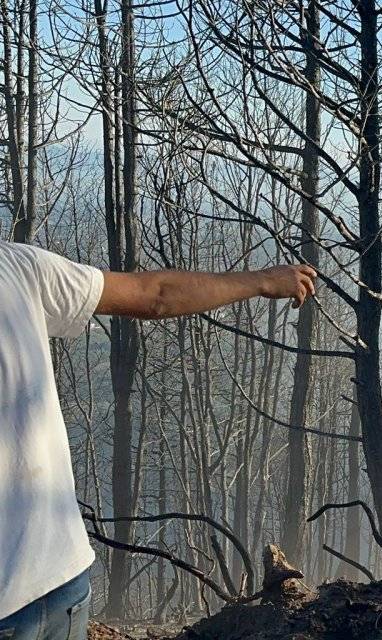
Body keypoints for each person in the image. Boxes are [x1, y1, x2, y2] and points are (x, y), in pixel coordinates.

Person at [0, 240, 317, 640]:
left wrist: (262, 281)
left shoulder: (18, 265)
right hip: (60, 577)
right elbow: (157, 296)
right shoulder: (16, 265)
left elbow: (158, 296)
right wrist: (261, 281)